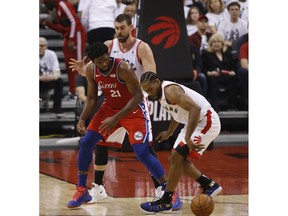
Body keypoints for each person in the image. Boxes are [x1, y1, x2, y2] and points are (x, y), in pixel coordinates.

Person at [69, 14, 183, 210]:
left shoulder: (127, 62)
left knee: (142, 150)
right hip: (110, 106)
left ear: (130, 27)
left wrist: (117, 118)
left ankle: (167, 191)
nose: (103, 64)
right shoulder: (94, 65)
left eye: (123, 27)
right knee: (89, 141)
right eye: (117, 28)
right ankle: (84, 189)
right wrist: (82, 119)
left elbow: (141, 91)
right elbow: (92, 99)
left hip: (134, 105)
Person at [139, 72, 222, 213]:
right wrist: (169, 132)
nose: (149, 93)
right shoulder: (160, 95)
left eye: (150, 89)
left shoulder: (170, 91)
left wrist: (188, 138)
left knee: (178, 157)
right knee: (175, 160)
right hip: (191, 123)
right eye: (146, 91)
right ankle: (208, 185)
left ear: (157, 82)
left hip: (206, 121)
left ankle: (166, 201)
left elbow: (195, 109)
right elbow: (177, 114)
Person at [41, 0, 86, 98]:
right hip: (69, 36)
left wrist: (71, 38)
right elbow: (63, 29)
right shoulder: (58, 8)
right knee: (69, 65)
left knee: (77, 63)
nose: (44, 5)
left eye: (45, 3)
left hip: (76, 35)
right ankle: (72, 91)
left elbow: (74, 21)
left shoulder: (63, 4)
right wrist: (48, 24)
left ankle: (80, 91)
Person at [201, 33, 239, 111]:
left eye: (218, 42)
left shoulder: (227, 53)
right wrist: (209, 73)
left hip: (226, 75)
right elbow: (203, 67)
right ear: (211, 44)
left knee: (233, 78)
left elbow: (233, 66)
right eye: (214, 42)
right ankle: (215, 105)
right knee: (213, 79)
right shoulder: (206, 54)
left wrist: (233, 71)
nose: (216, 44)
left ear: (222, 44)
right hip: (213, 76)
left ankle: (231, 105)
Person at [39, 37, 64, 116]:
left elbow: (57, 72)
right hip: (39, 80)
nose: (40, 47)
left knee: (60, 81)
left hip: (49, 79)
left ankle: (56, 109)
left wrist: (51, 77)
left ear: (46, 46)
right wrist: (40, 78)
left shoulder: (51, 54)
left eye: (42, 45)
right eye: (38, 45)